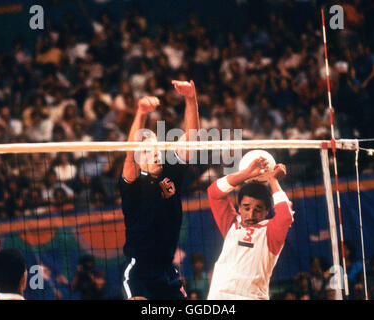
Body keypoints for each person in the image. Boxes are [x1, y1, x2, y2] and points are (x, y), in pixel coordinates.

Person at [119, 80, 200, 300]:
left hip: (167, 270)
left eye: (156, 148)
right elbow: (130, 152)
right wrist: (141, 113)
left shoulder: (170, 170)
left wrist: (191, 99)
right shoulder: (133, 184)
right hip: (140, 273)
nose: (154, 153)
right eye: (146, 151)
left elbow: (192, 141)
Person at [207, 159, 294, 300]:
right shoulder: (231, 223)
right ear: (239, 207)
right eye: (246, 208)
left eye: (258, 209)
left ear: (267, 211)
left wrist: (273, 180)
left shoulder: (271, 231)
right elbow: (214, 192)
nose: (251, 214)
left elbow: (285, 216)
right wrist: (246, 173)